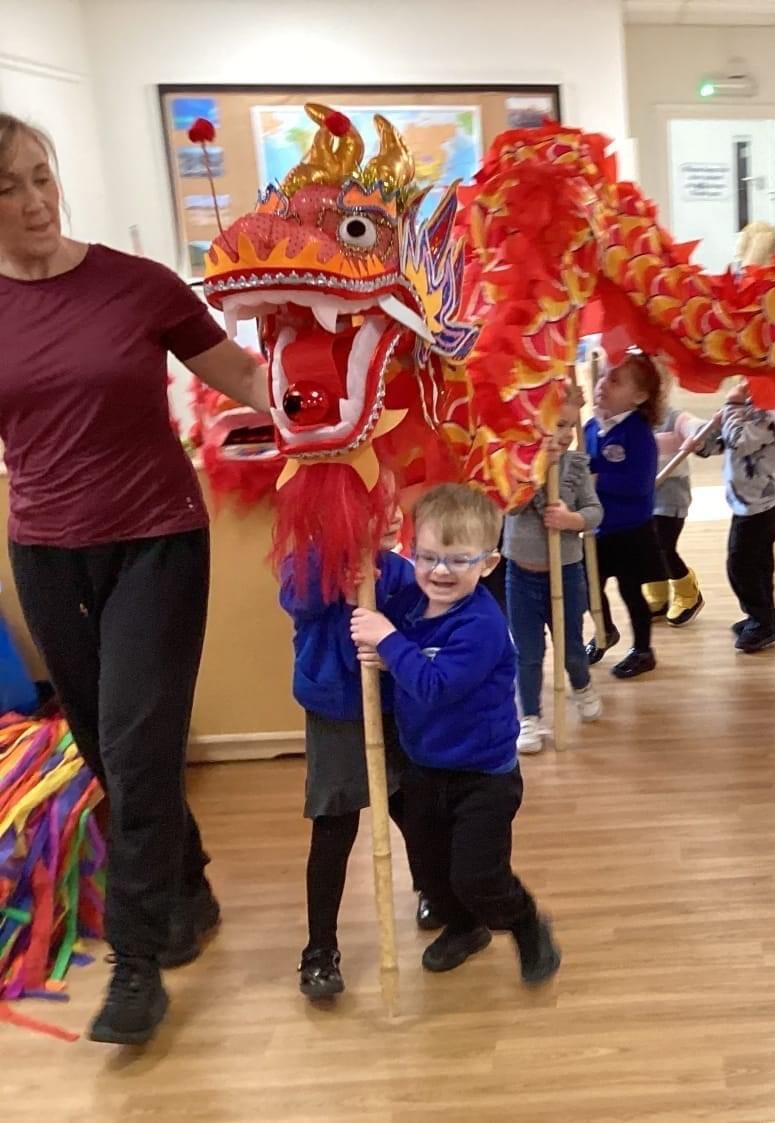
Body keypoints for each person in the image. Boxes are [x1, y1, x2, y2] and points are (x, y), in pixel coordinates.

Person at [0, 114, 269, 1045]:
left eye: (43, 176)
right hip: (43, 549)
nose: (35, 201)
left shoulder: (135, 283)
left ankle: (137, 962)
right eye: (9, 187)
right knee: (106, 746)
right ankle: (186, 889)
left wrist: (335, 404)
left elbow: (236, 368)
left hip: (157, 537)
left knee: (140, 740)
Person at [350, 484, 560, 982]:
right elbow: (401, 657)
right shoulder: (408, 608)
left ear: (487, 564)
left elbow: (434, 686)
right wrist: (384, 651)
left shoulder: (482, 625)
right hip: (425, 766)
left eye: (458, 560)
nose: (440, 571)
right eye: (428, 557)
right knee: (431, 871)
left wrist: (389, 643)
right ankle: (464, 928)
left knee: (478, 875)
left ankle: (526, 922)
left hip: (482, 776)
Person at [279, 494, 433, 1000]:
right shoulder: (307, 564)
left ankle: (436, 891)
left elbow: (418, 620)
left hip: (393, 708)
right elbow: (295, 597)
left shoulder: (398, 572)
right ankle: (319, 949)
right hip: (337, 711)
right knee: (335, 824)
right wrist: (337, 574)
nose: (391, 515)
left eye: (393, 504)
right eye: (374, 506)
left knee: (413, 808)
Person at [505, 387, 604, 753]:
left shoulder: (577, 465)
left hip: (566, 573)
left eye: (570, 426)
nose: (565, 434)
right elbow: (511, 509)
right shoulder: (516, 467)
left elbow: (595, 512)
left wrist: (571, 519)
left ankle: (581, 684)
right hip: (521, 576)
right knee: (527, 652)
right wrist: (535, 472)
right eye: (557, 424)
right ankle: (529, 716)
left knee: (571, 647)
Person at [584, 352, 665, 679]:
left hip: (631, 531)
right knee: (590, 586)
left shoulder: (638, 435)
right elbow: (584, 465)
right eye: (602, 376)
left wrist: (599, 480)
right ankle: (605, 631)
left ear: (639, 396)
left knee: (632, 592)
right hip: (599, 529)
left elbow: (638, 484)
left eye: (614, 380)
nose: (602, 384)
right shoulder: (591, 426)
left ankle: (643, 650)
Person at [695, 378, 775, 652]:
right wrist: (704, 442)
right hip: (748, 503)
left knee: (741, 566)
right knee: (759, 565)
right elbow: (726, 440)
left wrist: (732, 405)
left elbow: (740, 440)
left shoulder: (770, 410)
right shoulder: (752, 406)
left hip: (760, 507)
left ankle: (762, 621)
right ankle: (764, 615)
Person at [645, 406, 707, 628]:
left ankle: (688, 593)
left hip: (670, 497)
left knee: (663, 545)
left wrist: (696, 434)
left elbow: (693, 425)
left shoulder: (672, 417)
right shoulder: (631, 419)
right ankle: (657, 595)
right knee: (645, 547)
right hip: (642, 497)